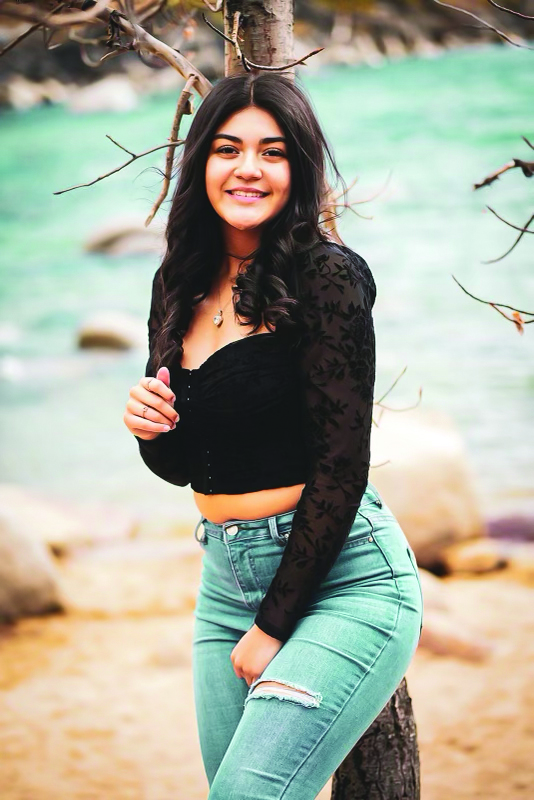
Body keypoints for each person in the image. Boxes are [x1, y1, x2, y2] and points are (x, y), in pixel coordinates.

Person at [123, 71, 423, 800]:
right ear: (200, 162)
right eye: (227, 148)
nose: (249, 168)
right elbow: (187, 465)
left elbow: (342, 466)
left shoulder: (327, 278)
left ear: (300, 169)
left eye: (273, 151)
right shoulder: (178, 281)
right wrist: (146, 427)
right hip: (222, 586)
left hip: (347, 580)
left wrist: (273, 624)